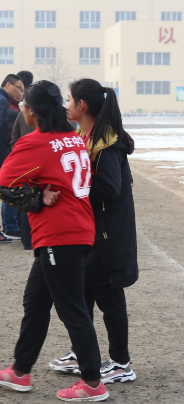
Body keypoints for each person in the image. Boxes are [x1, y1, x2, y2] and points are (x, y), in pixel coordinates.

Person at [0, 80, 109, 401]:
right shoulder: (73, 139)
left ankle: (92, 382)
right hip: (76, 232)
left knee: (72, 309)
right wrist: (38, 192)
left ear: (33, 112)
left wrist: (33, 196)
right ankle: (20, 371)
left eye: (24, 107)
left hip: (58, 236)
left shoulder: (36, 143)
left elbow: (4, 182)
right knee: (35, 302)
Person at [49, 78, 138, 385]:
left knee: (109, 297)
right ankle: (83, 352)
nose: (66, 106)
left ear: (82, 105)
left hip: (109, 236)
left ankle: (121, 362)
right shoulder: (86, 135)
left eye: (69, 101)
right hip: (91, 231)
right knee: (82, 291)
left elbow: (109, 188)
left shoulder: (107, 142)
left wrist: (71, 186)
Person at [10, 71, 35, 250]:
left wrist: (17, 156)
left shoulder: (21, 114)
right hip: (35, 166)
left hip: (24, 163)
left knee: (27, 200)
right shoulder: (51, 116)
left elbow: (14, 139)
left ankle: (27, 240)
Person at [0, 74, 24, 243]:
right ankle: (10, 227)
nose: (20, 93)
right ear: (8, 84)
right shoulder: (2, 101)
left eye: (23, 90)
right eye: (19, 88)